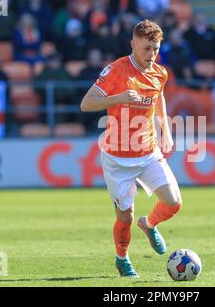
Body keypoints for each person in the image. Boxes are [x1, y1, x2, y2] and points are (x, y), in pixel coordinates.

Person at [80, 20, 182, 278]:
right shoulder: (116, 70)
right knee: (124, 218)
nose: (152, 55)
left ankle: (149, 224)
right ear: (133, 45)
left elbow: (158, 95)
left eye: (156, 49)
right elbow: (86, 103)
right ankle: (122, 259)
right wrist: (119, 98)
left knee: (173, 204)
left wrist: (165, 129)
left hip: (147, 151)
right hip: (117, 158)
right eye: (147, 49)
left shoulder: (160, 72)